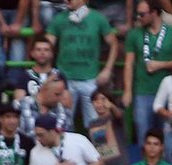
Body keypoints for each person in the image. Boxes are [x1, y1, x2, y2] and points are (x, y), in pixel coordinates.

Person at [123, 0, 172, 150]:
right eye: (137, 14)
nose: (138, 17)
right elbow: (128, 64)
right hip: (142, 91)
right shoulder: (134, 34)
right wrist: (127, 91)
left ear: (154, 13)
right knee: (143, 134)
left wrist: (161, 65)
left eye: (142, 14)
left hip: (168, 93)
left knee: (168, 138)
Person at [46, 0, 120, 128]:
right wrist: (49, 70)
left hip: (90, 79)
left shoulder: (98, 18)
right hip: (66, 80)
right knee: (64, 124)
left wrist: (107, 69)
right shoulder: (59, 19)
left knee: (96, 124)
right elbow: (47, 43)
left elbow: (114, 44)